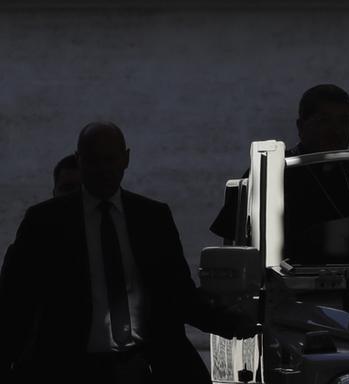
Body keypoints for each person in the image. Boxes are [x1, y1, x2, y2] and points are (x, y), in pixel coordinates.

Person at [0, 122, 255, 383]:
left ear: (126, 159)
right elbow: (15, 303)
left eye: (109, 159)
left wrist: (231, 324)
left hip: (143, 365)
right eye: (93, 160)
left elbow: (178, 294)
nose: (102, 170)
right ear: (80, 160)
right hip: (70, 368)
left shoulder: (153, 218)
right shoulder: (45, 223)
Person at [210, 84, 349, 243]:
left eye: (344, 122)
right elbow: (233, 243)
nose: (336, 131)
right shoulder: (270, 171)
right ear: (301, 126)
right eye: (324, 121)